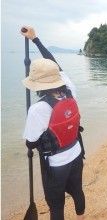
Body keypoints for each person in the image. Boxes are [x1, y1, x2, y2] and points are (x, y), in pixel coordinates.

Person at [21, 26, 85, 220]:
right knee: (77, 191)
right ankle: (81, 216)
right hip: (76, 153)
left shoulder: (38, 109)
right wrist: (36, 39)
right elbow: (54, 63)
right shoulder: (70, 89)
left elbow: (30, 143)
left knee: (56, 205)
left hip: (55, 165)